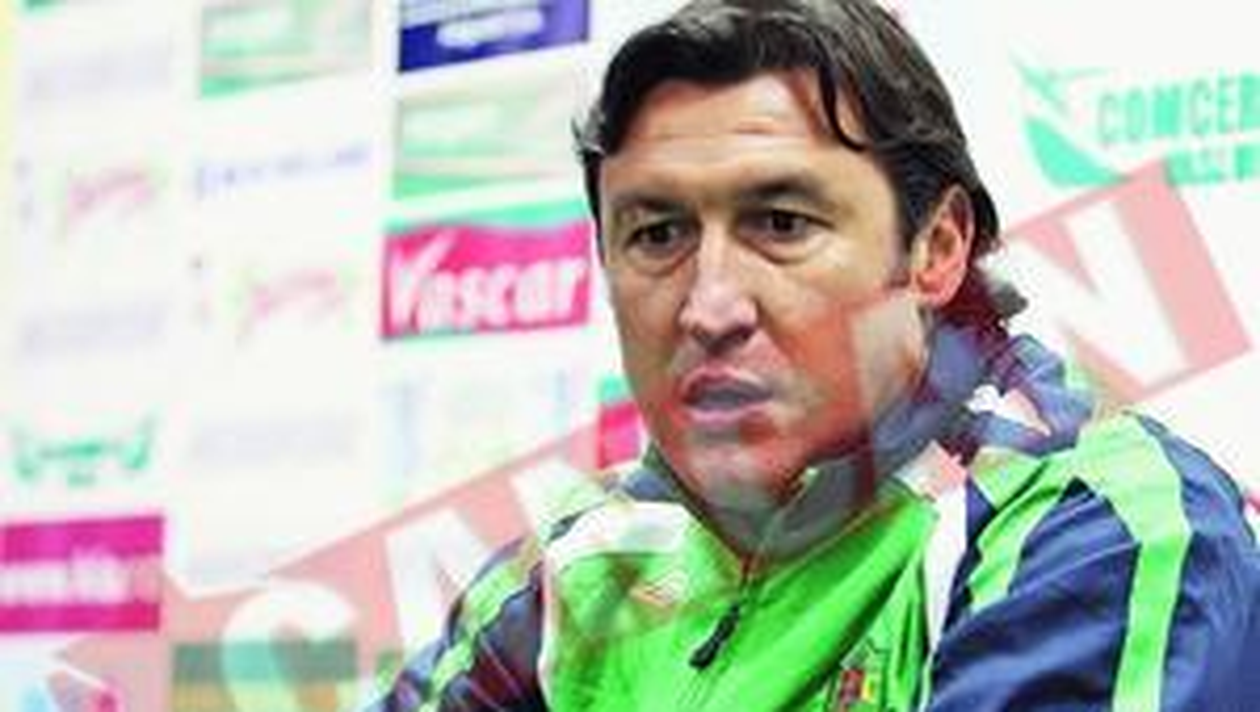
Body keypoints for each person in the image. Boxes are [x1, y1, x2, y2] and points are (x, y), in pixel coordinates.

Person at [371, 0, 1260, 709]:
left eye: (782, 223)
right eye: (657, 234)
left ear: (937, 248)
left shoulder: (1096, 523)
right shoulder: (583, 557)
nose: (710, 307)